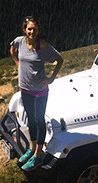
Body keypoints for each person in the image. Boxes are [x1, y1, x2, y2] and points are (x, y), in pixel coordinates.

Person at [10, 16, 64, 171]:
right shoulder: (19, 41)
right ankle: (32, 149)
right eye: (29, 28)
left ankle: (38, 156)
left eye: (34, 28)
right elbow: (12, 49)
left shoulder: (43, 46)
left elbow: (59, 60)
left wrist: (51, 79)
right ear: (24, 29)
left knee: (39, 121)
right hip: (25, 88)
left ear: (38, 30)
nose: (31, 31)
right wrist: (18, 64)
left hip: (39, 91)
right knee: (31, 120)